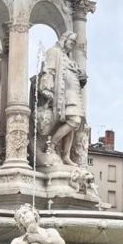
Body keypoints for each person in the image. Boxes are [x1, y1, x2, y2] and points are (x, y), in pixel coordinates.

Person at [37, 31, 87, 166]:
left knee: (74, 126)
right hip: (64, 95)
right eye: (71, 41)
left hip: (74, 95)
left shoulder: (69, 59)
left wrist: (81, 78)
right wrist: (47, 88)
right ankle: (51, 145)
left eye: (74, 43)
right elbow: (49, 70)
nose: (72, 45)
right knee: (74, 121)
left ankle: (65, 155)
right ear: (64, 39)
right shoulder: (54, 52)